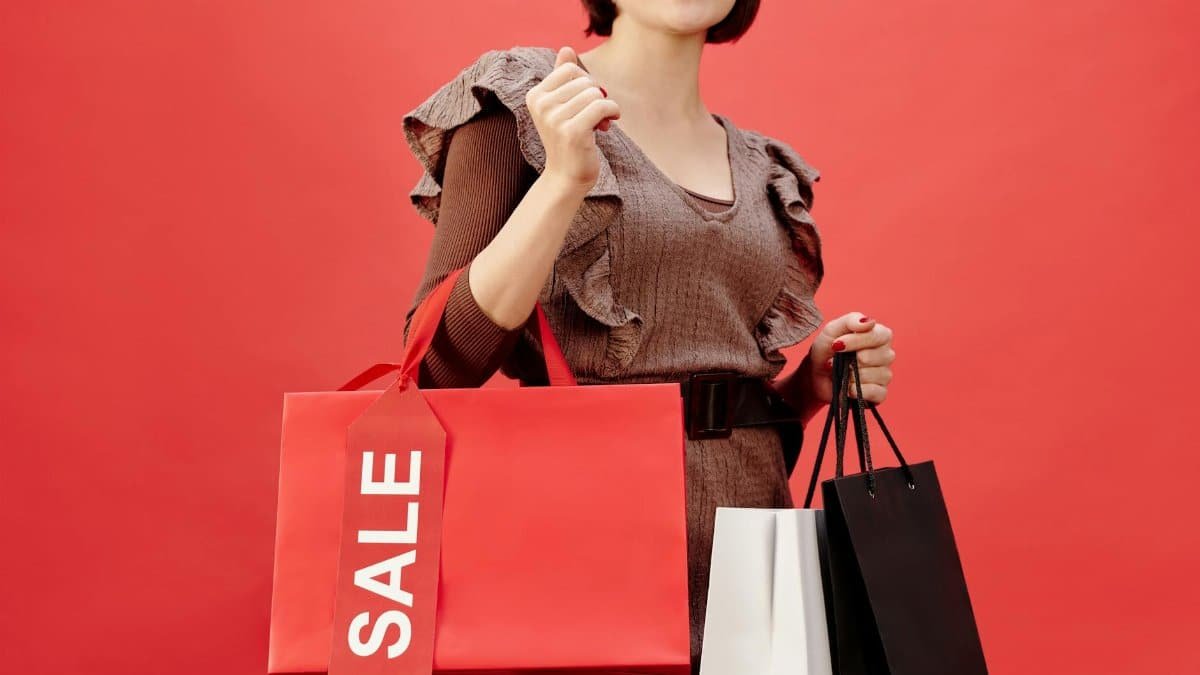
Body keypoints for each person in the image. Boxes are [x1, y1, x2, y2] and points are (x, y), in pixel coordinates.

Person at [400, 1, 896, 671]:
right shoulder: (528, 98)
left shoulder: (763, 165)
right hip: (585, 556)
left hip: (753, 566)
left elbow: (721, 399)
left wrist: (807, 386)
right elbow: (437, 367)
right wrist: (562, 182)